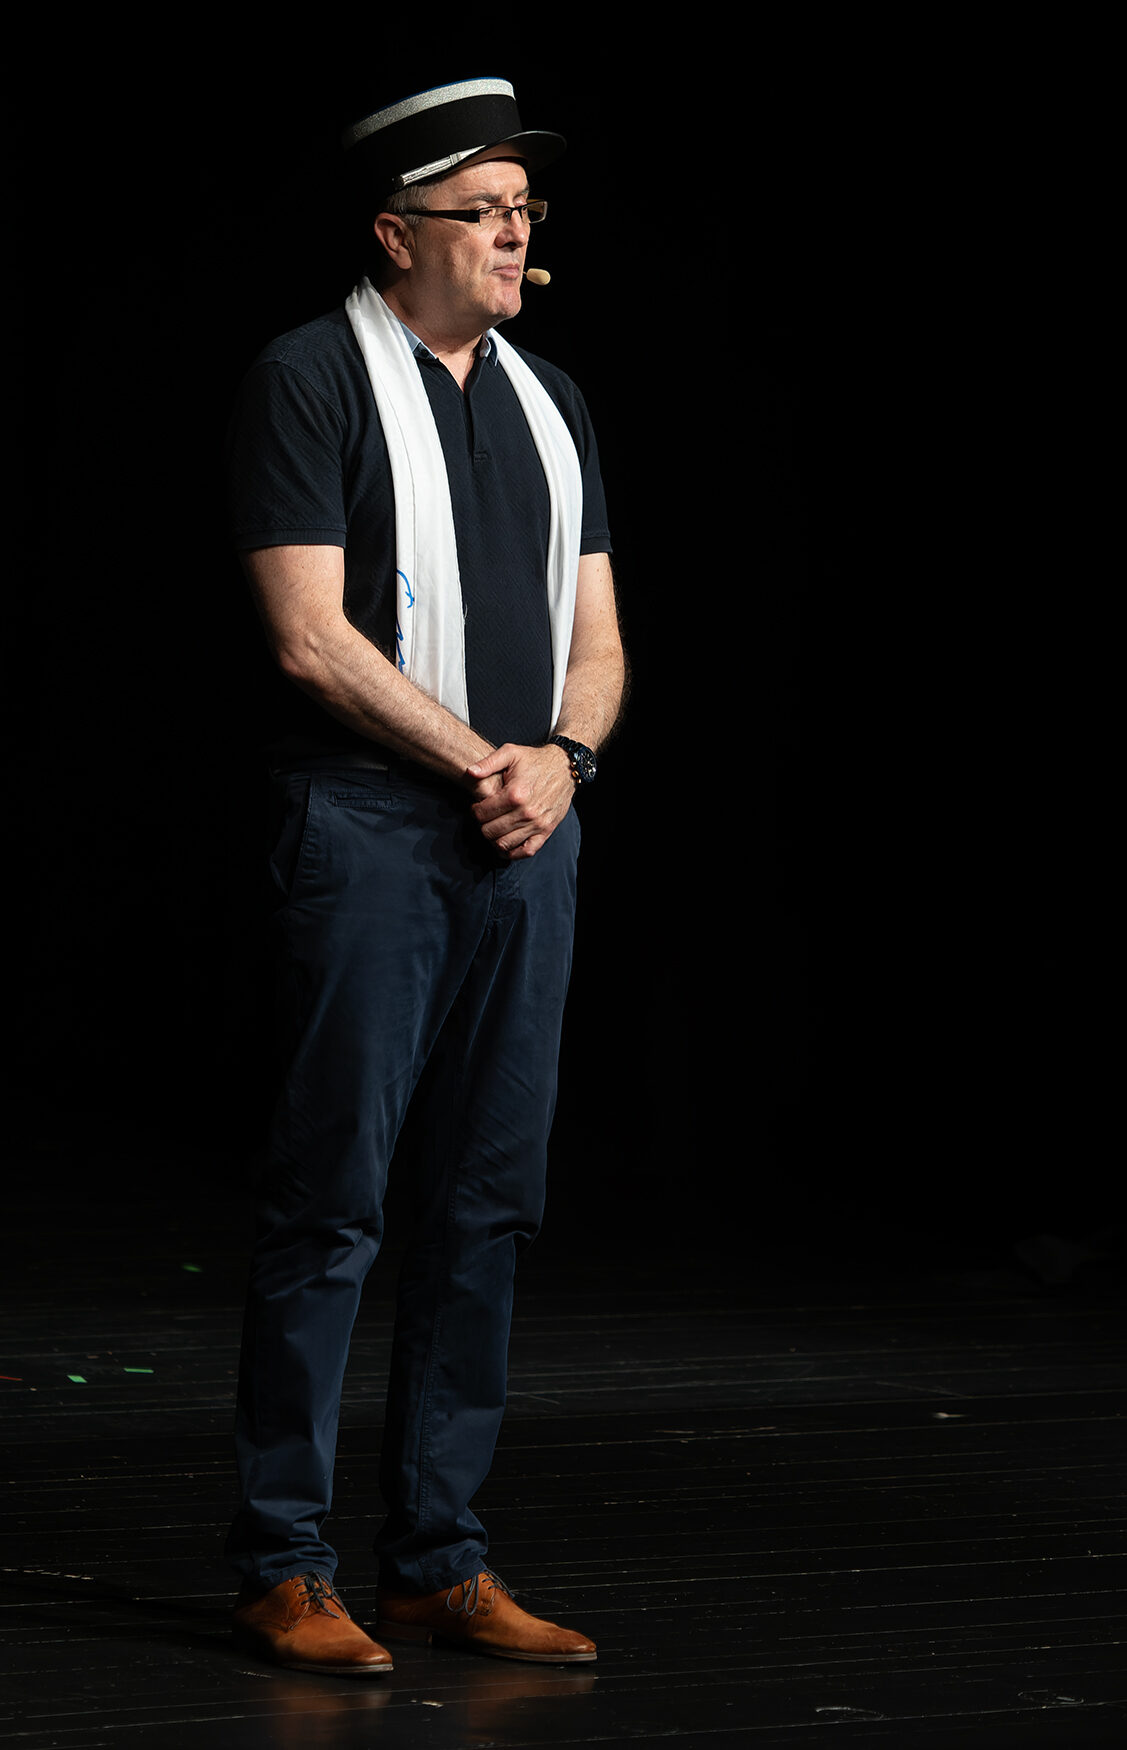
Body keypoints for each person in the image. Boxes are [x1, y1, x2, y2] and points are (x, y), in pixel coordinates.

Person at [224, 77, 625, 1677]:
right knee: (333, 1198)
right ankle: (283, 1559)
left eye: (527, 210)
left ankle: (438, 1558)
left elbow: (600, 641)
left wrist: (564, 760)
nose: (518, 233)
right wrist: (485, 763)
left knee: (488, 1202)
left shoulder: (552, 398)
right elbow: (308, 636)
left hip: (529, 835)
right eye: (486, 210)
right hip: (374, 831)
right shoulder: (308, 376)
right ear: (399, 233)